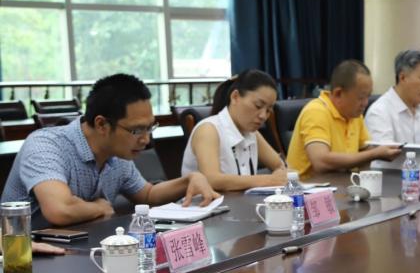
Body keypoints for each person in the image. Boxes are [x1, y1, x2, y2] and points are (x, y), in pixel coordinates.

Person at [1, 74, 219, 227]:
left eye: (150, 127)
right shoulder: (45, 146)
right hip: (26, 260)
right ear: (102, 124)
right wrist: (99, 207)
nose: (146, 139)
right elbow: (60, 210)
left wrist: (189, 180)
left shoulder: (117, 156)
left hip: (79, 251)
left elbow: (148, 195)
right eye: (136, 130)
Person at [285, 60, 402, 178]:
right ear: (338, 93)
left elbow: (366, 152)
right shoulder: (316, 111)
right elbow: (321, 162)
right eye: (361, 97)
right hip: (308, 187)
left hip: (343, 184)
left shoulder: (355, 116)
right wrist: (375, 154)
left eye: (368, 96)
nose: (365, 103)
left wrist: (390, 151)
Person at [180, 69, 288, 191]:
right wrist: (269, 180)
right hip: (206, 202)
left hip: (241, 201)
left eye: (268, 110)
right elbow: (211, 179)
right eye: (258, 106)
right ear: (235, 97)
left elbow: (280, 165)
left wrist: (280, 174)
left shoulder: (251, 133)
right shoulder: (208, 129)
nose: (263, 116)